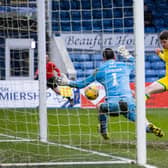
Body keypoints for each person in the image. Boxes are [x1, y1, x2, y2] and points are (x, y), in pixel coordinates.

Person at [58, 46, 164, 139]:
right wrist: (127, 55)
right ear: (115, 57)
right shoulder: (124, 65)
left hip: (112, 104)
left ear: (103, 59)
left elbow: (81, 84)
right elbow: (136, 63)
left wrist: (67, 82)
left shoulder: (99, 70)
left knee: (100, 107)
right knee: (136, 119)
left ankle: (103, 130)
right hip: (129, 101)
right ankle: (148, 126)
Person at [145, 30, 168, 101]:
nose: (163, 44)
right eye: (161, 42)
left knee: (147, 90)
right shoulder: (166, 50)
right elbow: (166, 58)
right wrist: (160, 54)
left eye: (164, 42)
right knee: (146, 90)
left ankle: (135, 110)